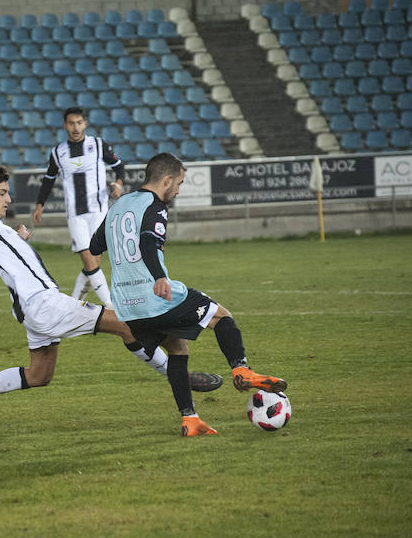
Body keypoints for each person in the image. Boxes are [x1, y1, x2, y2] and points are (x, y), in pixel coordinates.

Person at [0, 164, 221, 424]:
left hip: (34, 309)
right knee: (126, 325)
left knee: (39, 375)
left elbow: (6, 254)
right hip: (44, 304)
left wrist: (18, 238)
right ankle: (181, 378)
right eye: (2, 193)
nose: (8, 199)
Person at [89, 152, 288, 436]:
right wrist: (159, 276)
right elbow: (147, 242)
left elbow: (94, 246)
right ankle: (242, 370)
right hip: (155, 296)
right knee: (221, 316)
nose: (178, 190)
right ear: (167, 180)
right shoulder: (155, 205)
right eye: (179, 184)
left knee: (178, 347)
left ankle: (190, 419)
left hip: (127, 308)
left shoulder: (120, 204)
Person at [32, 107, 125, 309]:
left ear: (85, 123)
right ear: (65, 125)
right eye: (71, 123)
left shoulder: (98, 145)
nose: (75, 127)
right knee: (89, 261)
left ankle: (73, 303)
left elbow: (119, 166)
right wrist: (40, 204)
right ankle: (110, 305)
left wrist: (118, 184)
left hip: (99, 211)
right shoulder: (58, 152)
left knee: (93, 264)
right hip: (75, 214)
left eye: (79, 122)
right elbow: (48, 180)